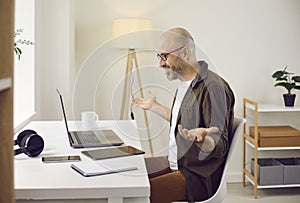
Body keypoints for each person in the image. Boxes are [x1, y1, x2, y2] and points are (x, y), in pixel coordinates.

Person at [132, 27, 235, 203]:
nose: (160, 64)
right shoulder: (186, 84)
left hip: (195, 177)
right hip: (176, 164)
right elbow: (182, 121)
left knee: (135, 196)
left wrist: (204, 141)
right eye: (159, 57)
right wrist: (154, 107)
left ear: (185, 53)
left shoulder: (213, 88)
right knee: (129, 174)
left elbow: (220, 143)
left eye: (164, 56)